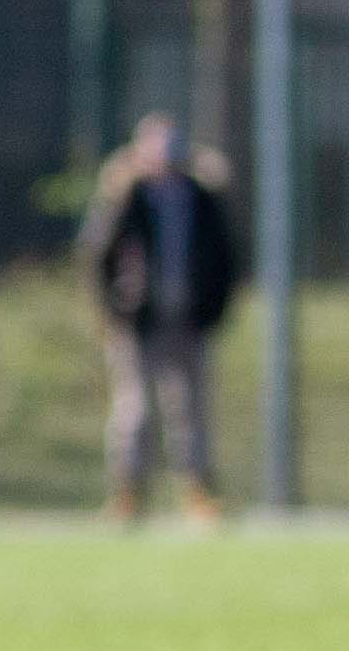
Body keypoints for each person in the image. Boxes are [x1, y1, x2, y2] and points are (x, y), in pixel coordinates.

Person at [78, 111, 247, 525]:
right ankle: (128, 495)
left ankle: (198, 494)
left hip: (190, 319)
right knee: (134, 410)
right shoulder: (127, 198)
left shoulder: (201, 198)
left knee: (191, 410)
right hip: (140, 322)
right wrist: (113, 308)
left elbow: (226, 258)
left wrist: (215, 308)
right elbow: (99, 256)